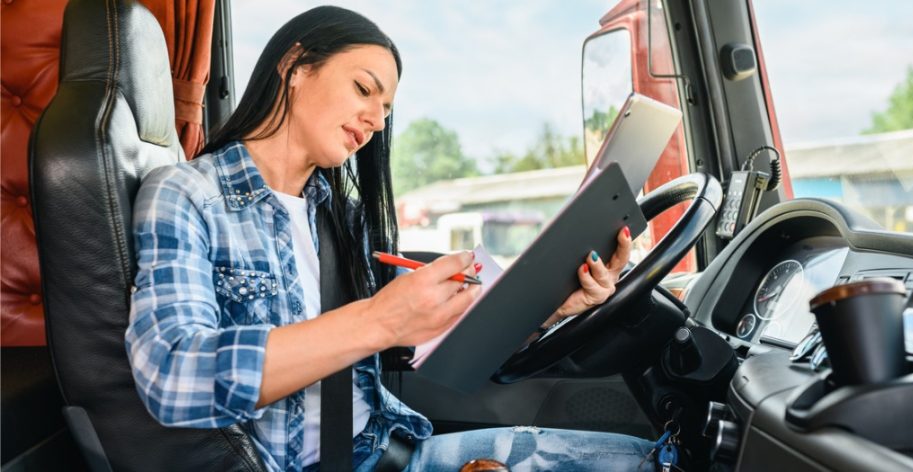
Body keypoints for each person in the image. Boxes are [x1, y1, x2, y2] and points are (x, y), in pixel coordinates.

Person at [126, 6, 656, 472]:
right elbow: (174, 376)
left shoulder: (340, 216)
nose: (376, 121)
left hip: (390, 449)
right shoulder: (186, 195)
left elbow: (436, 352)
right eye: (363, 89)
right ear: (295, 66)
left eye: (385, 110)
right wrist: (379, 320)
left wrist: (551, 306)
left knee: (651, 459)